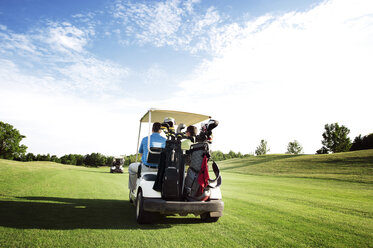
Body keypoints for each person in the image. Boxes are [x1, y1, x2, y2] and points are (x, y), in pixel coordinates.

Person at [128, 122, 166, 193]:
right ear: (160, 130)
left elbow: (141, 153)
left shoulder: (145, 139)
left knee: (131, 167)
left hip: (146, 168)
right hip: (160, 169)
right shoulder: (165, 140)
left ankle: (132, 189)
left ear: (152, 129)